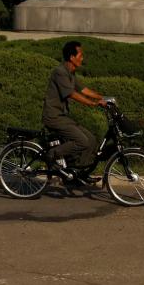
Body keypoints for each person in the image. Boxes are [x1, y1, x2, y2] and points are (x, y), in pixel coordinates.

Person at [42, 41, 106, 184]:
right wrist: (94, 104)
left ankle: (78, 173)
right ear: (72, 57)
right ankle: (52, 154)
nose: (82, 58)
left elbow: (83, 90)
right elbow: (72, 94)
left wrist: (103, 98)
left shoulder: (70, 73)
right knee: (82, 141)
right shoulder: (60, 72)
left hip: (63, 117)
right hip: (53, 117)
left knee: (91, 140)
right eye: (80, 55)